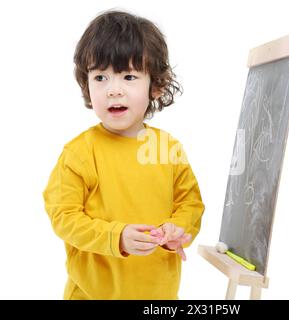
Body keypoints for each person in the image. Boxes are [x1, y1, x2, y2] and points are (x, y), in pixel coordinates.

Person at [43, 9, 204, 300]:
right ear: (86, 84)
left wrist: (179, 229)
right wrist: (115, 237)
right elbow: (63, 216)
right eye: (101, 77)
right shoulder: (79, 153)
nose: (113, 90)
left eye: (129, 76)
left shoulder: (167, 150)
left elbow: (190, 203)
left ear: (155, 85)